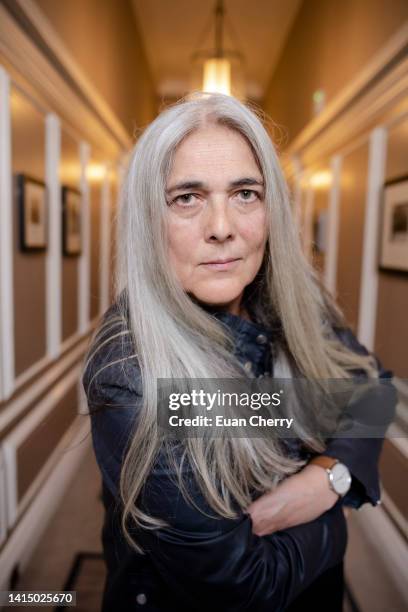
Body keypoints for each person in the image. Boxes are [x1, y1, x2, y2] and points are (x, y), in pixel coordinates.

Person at [81, 92, 395, 611]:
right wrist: (335, 519)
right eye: (187, 197)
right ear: (147, 219)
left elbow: (374, 388)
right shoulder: (132, 375)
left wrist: (327, 478)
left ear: (271, 208)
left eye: (245, 193)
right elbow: (245, 588)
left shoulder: (290, 296)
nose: (222, 227)